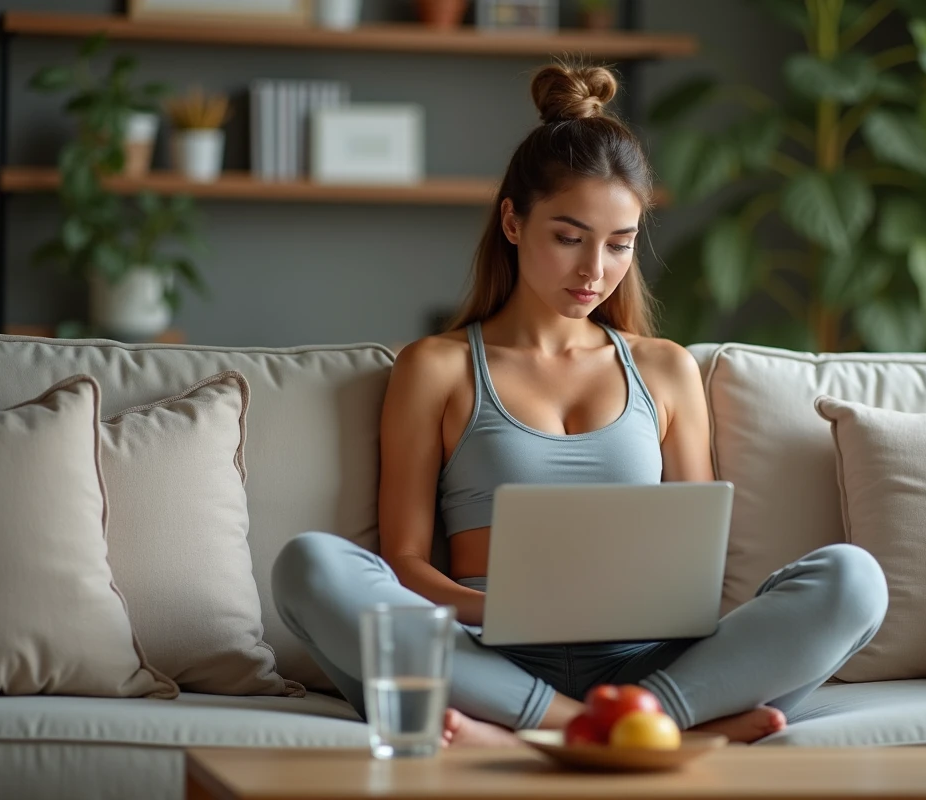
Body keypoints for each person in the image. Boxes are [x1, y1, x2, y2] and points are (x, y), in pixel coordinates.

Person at [271, 62, 888, 748]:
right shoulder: (437, 367)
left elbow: (697, 564)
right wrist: (507, 610)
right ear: (513, 220)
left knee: (853, 580)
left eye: (619, 245)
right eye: (569, 237)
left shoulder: (666, 370)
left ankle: (591, 720)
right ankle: (624, 729)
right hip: (487, 652)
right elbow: (407, 564)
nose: (594, 270)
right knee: (309, 566)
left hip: (644, 655)